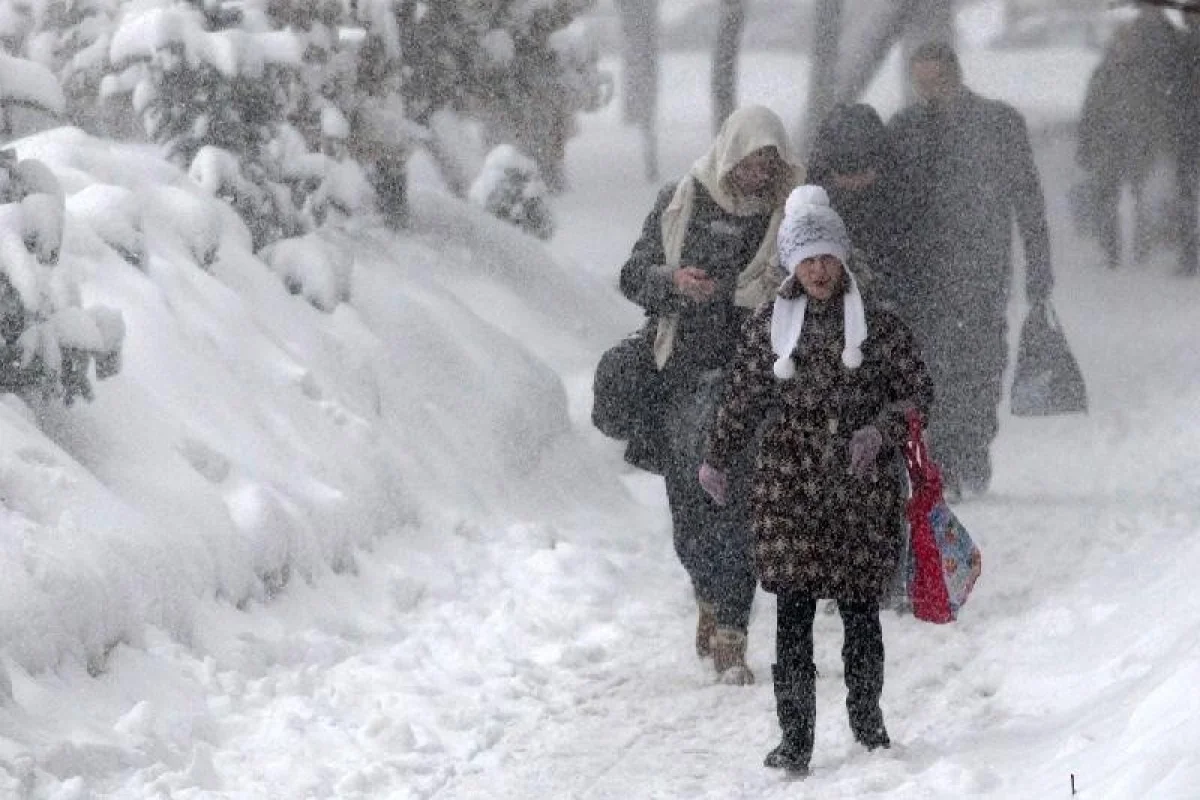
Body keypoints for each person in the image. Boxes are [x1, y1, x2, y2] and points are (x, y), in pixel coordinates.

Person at [698, 185, 933, 775]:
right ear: (790, 264)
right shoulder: (768, 326)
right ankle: (795, 738)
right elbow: (743, 397)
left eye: (827, 257)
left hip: (860, 487)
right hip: (789, 485)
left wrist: (880, 431)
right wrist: (717, 457)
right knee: (794, 616)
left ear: (842, 258)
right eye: (807, 259)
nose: (819, 270)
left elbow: (917, 395)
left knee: (860, 612)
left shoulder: (879, 325)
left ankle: (868, 724)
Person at [619, 105, 801, 684]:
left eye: (769, 160)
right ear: (730, 154)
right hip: (682, 379)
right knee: (690, 512)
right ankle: (707, 592)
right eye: (751, 159)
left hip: (754, 382)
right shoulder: (683, 202)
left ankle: (731, 628)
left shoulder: (790, 214)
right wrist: (673, 283)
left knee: (741, 504)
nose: (758, 171)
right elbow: (633, 274)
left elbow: (824, 278)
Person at [888, 41, 1054, 499]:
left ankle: (971, 451)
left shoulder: (998, 125)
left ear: (954, 74)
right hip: (922, 274)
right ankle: (944, 457)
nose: (929, 91)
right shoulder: (903, 130)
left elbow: (1028, 199)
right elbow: (888, 204)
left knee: (979, 366)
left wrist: (1039, 266)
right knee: (931, 369)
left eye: (935, 80)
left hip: (981, 270)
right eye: (921, 83)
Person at [807, 102, 910, 316]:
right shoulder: (809, 208)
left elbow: (911, 271)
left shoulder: (903, 204)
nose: (854, 181)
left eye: (863, 168)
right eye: (845, 170)